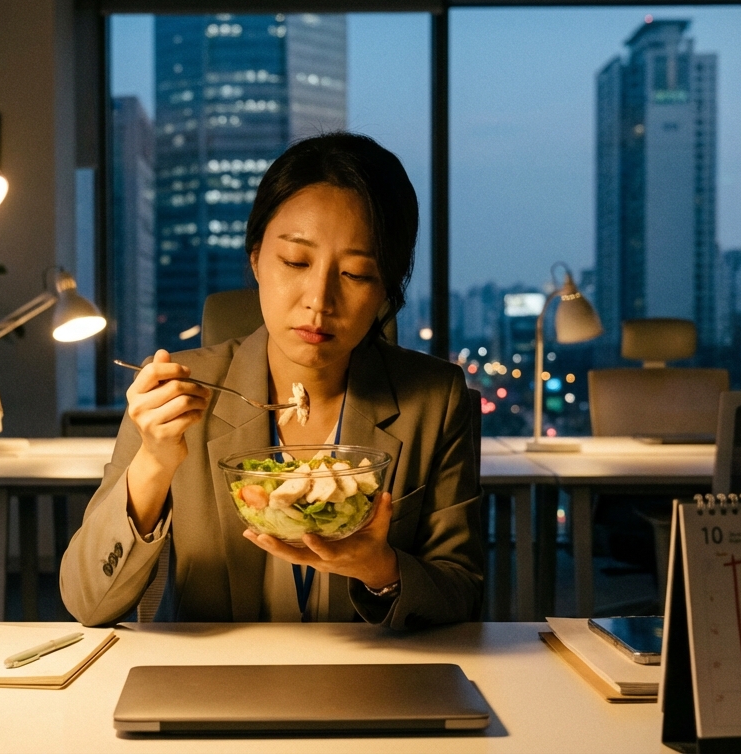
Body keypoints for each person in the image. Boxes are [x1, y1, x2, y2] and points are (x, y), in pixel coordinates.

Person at [60, 132, 482, 629]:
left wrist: (379, 569)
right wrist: (154, 462)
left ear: (386, 291)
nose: (319, 300)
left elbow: (463, 596)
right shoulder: (179, 391)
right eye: (296, 262)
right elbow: (87, 602)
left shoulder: (434, 400)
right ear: (256, 256)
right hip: (212, 689)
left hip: (370, 683)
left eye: (356, 274)